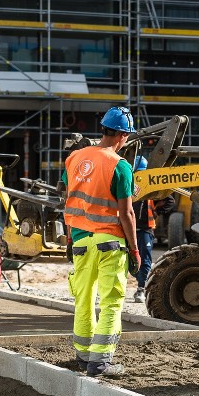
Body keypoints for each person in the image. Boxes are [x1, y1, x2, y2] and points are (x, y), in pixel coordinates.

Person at [63, 106, 140, 377]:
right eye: (127, 135)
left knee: (83, 299)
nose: (127, 140)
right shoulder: (120, 166)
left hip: (81, 240)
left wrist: (71, 240)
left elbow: (69, 201)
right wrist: (134, 248)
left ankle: (84, 357)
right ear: (120, 134)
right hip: (110, 243)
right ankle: (101, 362)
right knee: (111, 302)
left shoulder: (74, 159)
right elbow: (127, 213)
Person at [130, 156, 176, 304]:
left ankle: (141, 288)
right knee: (128, 260)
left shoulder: (152, 186)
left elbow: (170, 201)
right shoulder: (129, 184)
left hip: (145, 229)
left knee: (145, 260)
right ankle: (138, 280)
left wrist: (156, 212)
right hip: (129, 228)